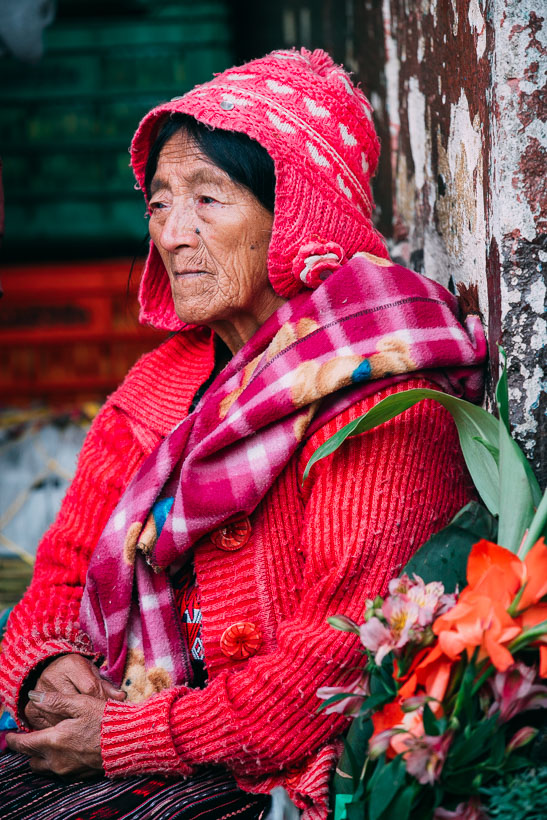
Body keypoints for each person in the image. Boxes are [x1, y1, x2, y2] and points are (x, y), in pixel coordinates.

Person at [0, 48, 486, 820]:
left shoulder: (379, 395)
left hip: (265, 770)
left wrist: (124, 738)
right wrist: (45, 666)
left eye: (208, 199)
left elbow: (332, 666)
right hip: (144, 733)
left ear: (293, 211)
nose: (171, 235)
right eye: (159, 203)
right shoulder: (157, 389)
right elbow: (58, 577)